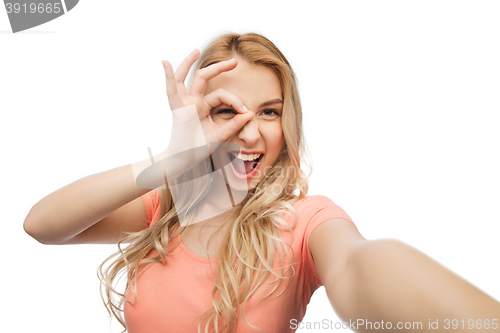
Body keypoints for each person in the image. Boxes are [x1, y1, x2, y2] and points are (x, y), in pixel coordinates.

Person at [23, 32, 500, 333]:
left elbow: (359, 265)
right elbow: (41, 225)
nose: (248, 133)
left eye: (269, 112)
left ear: (288, 121)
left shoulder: (304, 221)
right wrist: (171, 160)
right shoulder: (163, 207)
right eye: (226, 111)